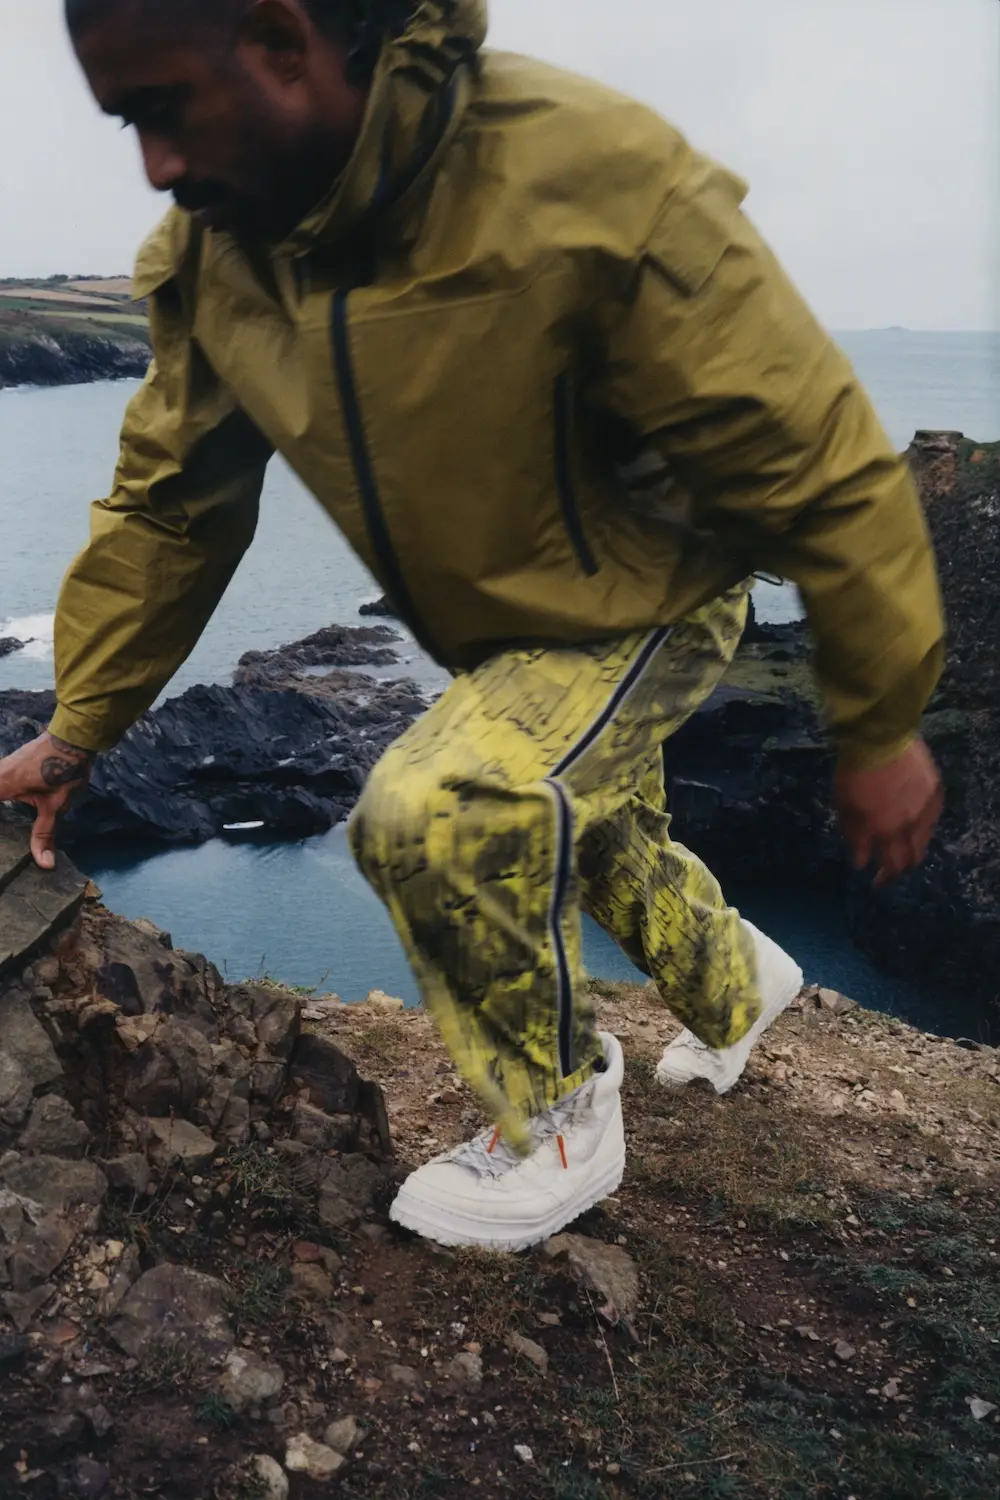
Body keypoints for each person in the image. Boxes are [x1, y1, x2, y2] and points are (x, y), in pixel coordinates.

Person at [0, 0, 944, 1251]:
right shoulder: (218, 257)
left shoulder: (585, 173)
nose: (157, 165)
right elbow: (172, 510)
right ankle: (734, 981)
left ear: (282, 40)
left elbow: (814, 456)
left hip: (655, 594)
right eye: (129, 124)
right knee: (584, 820)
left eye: (165, 109)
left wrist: (879, 720)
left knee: (445, 811)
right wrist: (78, 728)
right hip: (496, 623)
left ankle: (557, 1115)